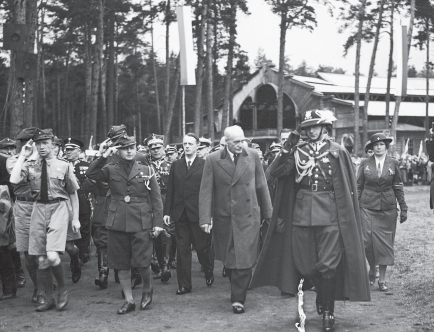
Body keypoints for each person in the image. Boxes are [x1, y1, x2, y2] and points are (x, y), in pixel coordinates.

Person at [250, 110, 370, 332]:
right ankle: (322, 292)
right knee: (305, 264)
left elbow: (347, 186)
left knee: (328, 265)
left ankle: (328, 311)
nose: (312, 130)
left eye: (316, 126)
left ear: (325, 128)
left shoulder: (338, 151)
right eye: (308, 127)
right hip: (302, 213)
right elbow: (274, 171)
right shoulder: (297, 151)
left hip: (331, 214)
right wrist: (287, 147)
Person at [86, 135, 164, 314]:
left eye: (132, 147)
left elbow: (156, 199)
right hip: (117, 220)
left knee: (143, 262)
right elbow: (90, 175)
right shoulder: (109, 168)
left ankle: (147, 289)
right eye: (124, 148)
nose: (129, 151)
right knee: (121, 264)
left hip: (141, 220)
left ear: (136, 148)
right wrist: (102, 156)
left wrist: (157, 223)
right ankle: (129, 300)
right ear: (118, 150)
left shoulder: (146, 170)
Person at [199, 125, 272, 314]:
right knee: (230, 260)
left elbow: (261, 184)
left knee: (245, 259)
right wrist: (205, 218)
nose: (241, 144)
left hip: (249, 215)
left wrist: (268, 213)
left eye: (243, 140)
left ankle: (238, 299)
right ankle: (237, 287)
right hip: (225, 217)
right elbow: (206, 190)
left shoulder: (253, 155)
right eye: (237, 142)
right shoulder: (213, 159)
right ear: (226, 142)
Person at [10, 128, 81, 312]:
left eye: (45, 143)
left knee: (51, 255)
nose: (41, 147)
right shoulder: (31, 164)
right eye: (38, 143)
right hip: (38, 209)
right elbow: (15, 179)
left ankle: (62, 290)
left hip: (59, 207)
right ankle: (48, 298)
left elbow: (73, 194)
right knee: (41, 259)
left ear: (53, 144)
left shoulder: (64, 165)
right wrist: (23, 156)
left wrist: (75, 219)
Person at [164, 133, 214, 295]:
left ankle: (208, 269)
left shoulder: (205, 164)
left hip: (198, 213)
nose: (186, 146)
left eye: (190, 144)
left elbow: (209, 191)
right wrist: (167, 212)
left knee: (201, 247)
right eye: (184, 144)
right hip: (180, 214)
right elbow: (170, 190)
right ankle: (184, 285)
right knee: (182, 249)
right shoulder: (176, 165)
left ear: (197, 145)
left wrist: (209, 214)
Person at [357, 133, 407, 292]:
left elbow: (398, 186)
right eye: (375, 145)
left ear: (386, 147)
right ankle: (372, 268)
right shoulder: (364, 163)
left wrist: (403, 207)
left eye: (381, 145)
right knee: (367, 242)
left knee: (385, 243)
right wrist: (355, 205)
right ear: (371, 148)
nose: (378, 147)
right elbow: (358, 185)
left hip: (388, 207)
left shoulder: (393, 163)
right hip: (367, 206)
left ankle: (382, 280)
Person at [6, 127, 41, 303]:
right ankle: (38, 287)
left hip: (45, 206)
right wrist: (27, 156)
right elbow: (17, 178)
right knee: (29, 253)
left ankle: (45, 286)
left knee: (46, 251)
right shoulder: (14, 160)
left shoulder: (48, 160)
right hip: (24, 208)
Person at [144, 134, 172, 282]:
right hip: (150, 203)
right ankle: (158, 264)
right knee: (153, 234)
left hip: (166, 201)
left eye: (158, 147)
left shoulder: (171, 165)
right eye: (152, 148)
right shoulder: (145, 166)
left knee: (166, 234)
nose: (155, 150)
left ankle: (166, 266)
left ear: (164, 148)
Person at [64, 138, 91, 265]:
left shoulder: (85, 166)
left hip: (82, 199)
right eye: (66, 149)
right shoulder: (61, 164)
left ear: (79, 151)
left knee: (83, 228)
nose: (68, 152)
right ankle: (74, 255)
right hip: (65, 200)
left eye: (71, 149)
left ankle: (82, 254)